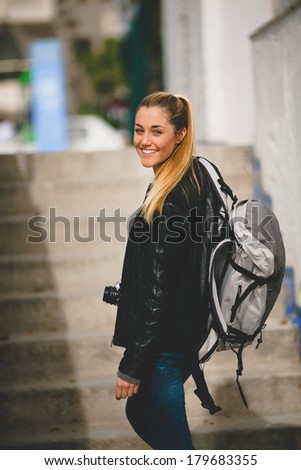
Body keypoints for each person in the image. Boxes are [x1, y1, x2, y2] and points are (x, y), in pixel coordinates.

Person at [111, 91, 216, 450]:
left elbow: (160, 292)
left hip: (164, 347)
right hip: (182, 336)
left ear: (180, 134)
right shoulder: (192, 176)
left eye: (157, 131)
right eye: (140, 130)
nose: (144, 140)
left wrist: (133, 364)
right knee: (140, 412)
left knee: (176, 449)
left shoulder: (171, 198)